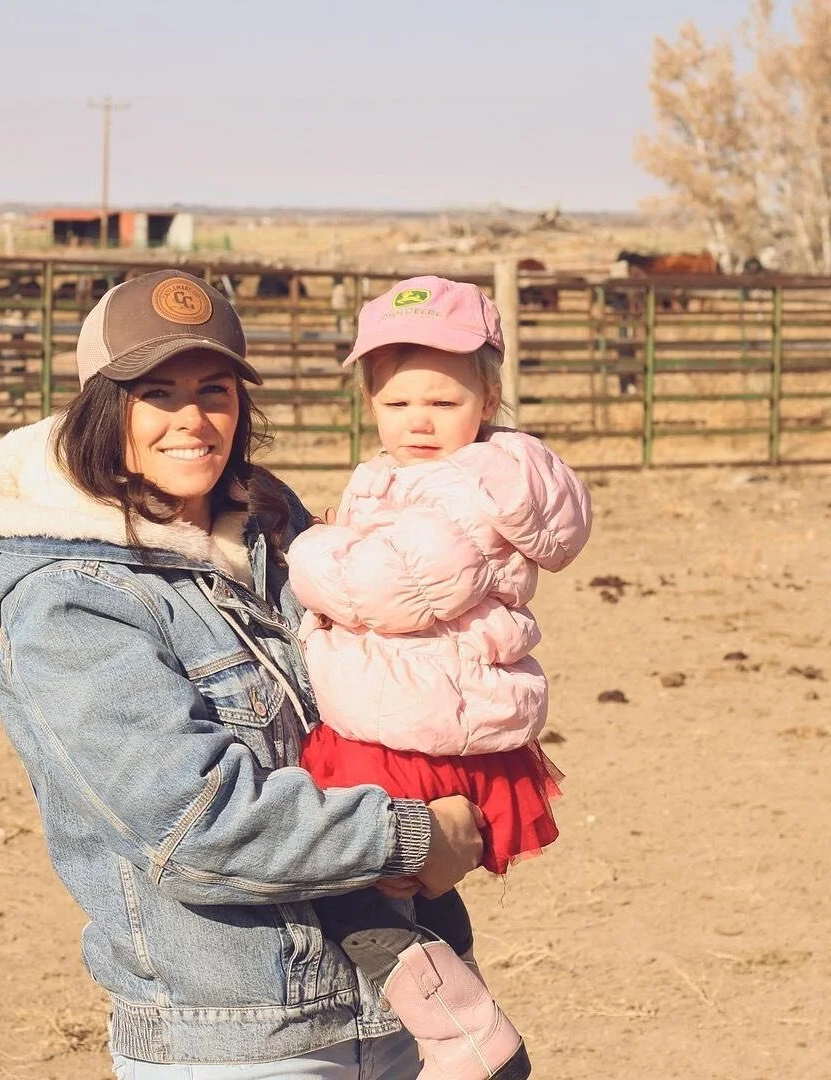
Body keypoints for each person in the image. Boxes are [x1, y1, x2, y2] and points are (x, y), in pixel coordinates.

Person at [0, 269, 488, 1079]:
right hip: (241, 1042)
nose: (192, 420)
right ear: (102, 404)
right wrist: (409, 834)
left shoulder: (276, 525)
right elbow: (195, 827)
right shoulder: (73, 604)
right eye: (156, 393)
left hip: (409, 1003)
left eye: (215, 389)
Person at [286, 276, 594, 1080]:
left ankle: (466, 1037)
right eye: (397, 404)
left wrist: (309, 548)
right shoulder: (418, 474)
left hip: (415, 722)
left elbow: (395, 588)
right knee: (415, 887)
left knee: (348, 882)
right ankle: (462, 1008)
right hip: (422, 705)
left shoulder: (470, 487)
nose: (418, 421)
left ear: (487, 397)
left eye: (442, 400)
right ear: (369, 403)